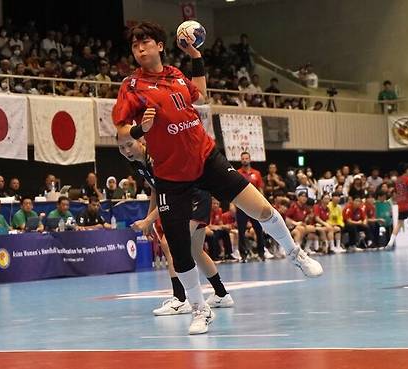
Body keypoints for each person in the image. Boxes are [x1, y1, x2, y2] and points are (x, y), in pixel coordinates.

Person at [113, 21, 322, 335]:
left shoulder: (176, 75)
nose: (140, 49)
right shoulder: (131, 86)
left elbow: (201, 95)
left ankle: (295, 253)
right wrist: (140, 129)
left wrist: (196, 55)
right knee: (180, 248)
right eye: (134, 45)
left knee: (260, 208)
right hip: (171, 175)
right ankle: (200, 308)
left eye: (145, 43)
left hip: (205, 157)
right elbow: (120, 131)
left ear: (159, 46)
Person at [117, 132, 233, 316]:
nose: (126, 150)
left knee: (170, 244)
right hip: (188, 198)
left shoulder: (156, 159)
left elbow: (169, 197)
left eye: (130, 145)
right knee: (195, 250)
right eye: (121, 148)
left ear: (141, 141)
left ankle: (180, 300)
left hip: (194, 196)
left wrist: (148, 220)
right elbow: (157, 190)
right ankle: (221, 294)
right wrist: (149, 220)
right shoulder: (138, 164)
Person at [236, 152, 272, 261]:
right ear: (241, 160)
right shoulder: (237, 173)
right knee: (241, 231)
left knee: (258, 230)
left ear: (250, 159)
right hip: (241, 206)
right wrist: (232, 204)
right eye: (243, 158)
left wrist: (264, 203)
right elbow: (233, 190)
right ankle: (243, 254)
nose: (245, 160)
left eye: (246, 158)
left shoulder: (256, 173)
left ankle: (261, 253)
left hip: (255, 206)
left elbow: (261, 190)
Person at [386, 163, 408, 248]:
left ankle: (390, 243)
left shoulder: (398, 180)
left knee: (399, 224)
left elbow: (397, 192)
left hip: (401, 205)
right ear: (407, 170)